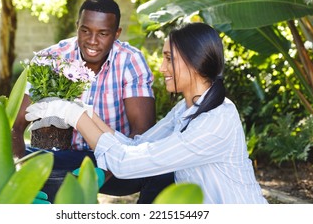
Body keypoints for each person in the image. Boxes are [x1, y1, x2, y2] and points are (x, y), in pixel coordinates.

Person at [26, 22, 269, 204]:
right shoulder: (186, 109)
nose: (162, 68)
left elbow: (127, 163)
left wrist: (72, 115)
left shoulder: (216, 121)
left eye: (168, 59)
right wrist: (87, 113)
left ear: (194, 62)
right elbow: (138, 146)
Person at [12, 0, 174, 203]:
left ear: (116, 34)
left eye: (103, 33)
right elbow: (16, 126)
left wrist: (96, 178)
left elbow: (140, 135)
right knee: (28, 161)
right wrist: (16, 171)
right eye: (85, 31)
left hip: (117, 161)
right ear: (77, 26)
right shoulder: (51, 59)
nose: (92, 41)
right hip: (67, 158)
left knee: (162, 173)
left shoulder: (130, 61)